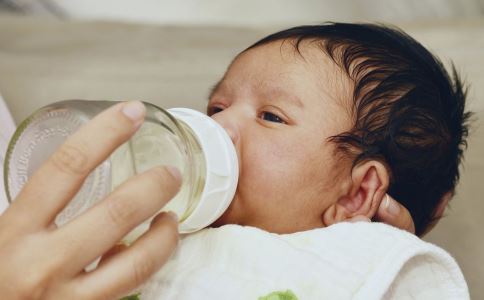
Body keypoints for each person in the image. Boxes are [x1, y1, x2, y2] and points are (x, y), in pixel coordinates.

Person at [0, 22, 468, 299]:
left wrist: (380, 268)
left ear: (358, 192)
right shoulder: (150, 229)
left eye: (270, 116)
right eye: (217, 109)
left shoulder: (365, 268)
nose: (221, 128)